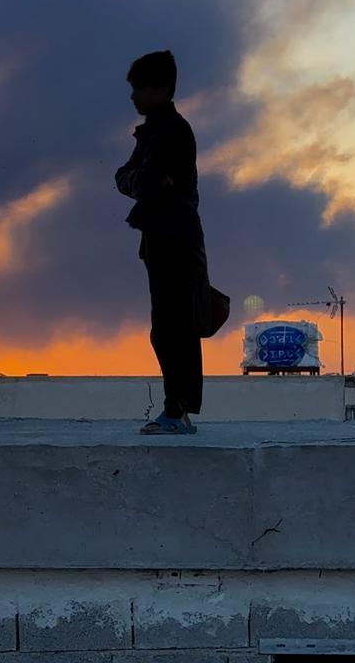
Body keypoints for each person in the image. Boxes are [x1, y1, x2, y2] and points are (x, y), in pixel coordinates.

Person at [115, 50, 209, 435]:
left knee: (175, 326)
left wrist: (144, 180)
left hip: (175, 239)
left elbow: (141, 180)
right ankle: (177, 409)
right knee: (167, 326)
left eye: (140, 88)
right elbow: (127, 177)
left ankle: (178, 410)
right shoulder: (155, 130)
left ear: (162, 89)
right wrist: (142, 180)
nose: (134, 97)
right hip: (163, 237)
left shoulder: (171, 132)